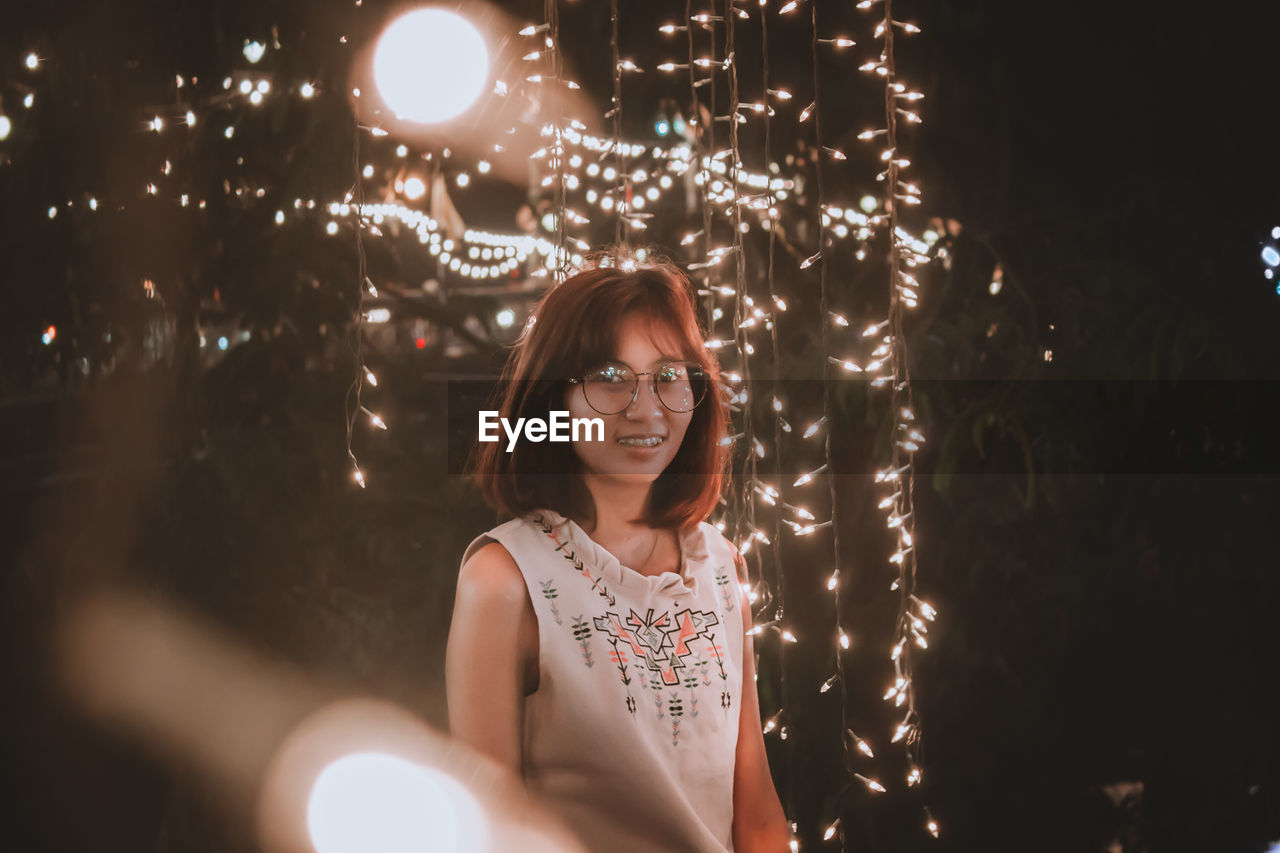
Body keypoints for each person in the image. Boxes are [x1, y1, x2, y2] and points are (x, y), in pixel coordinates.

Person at [446, 254, 790, 852]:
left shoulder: (721, 567)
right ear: (554, 401)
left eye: (667, 375)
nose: (645, 408)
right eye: (609, 376)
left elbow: (755, 812)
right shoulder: (505, 580)